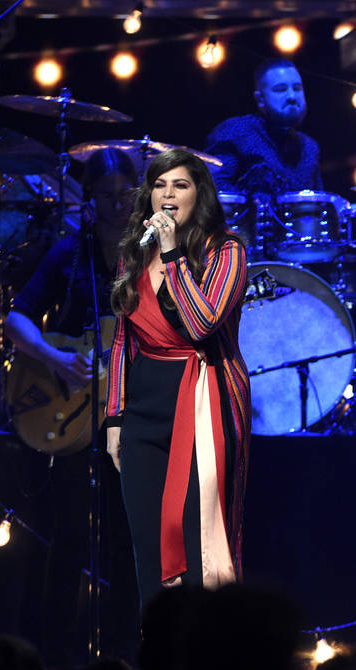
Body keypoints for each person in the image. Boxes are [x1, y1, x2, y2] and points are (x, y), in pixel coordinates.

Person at [4, 146, 140, 668]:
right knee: (69, 536)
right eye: (105, 195)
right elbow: (18, 320)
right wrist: (56, 359)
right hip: (74, 414)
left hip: (127, 415)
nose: (115, 204)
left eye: (124, 194)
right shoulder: (68, 252)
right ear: (89, 199)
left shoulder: (153, 260)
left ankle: (124, 656)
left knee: (128, 537)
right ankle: (55, 657)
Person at [105, 149, 251, 610]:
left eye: (180, 185)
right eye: (159, 185)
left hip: (204, 401)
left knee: (199, 541)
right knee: (148, 545)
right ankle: (158, 664)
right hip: (144, 414)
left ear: (199, 195)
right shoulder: (134, 254)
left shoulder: (227, 250)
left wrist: (172, 255)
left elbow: (203, 323)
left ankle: (206, 663)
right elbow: (123, 341)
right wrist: (113, 420)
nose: (167, 194)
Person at [205, 58, 323, 193]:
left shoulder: (310, 147)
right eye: (280, 89)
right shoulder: (235, 132)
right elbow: (218, 194)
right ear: (260, 99)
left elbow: (318, 202)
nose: (292, 96)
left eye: (297, 88)